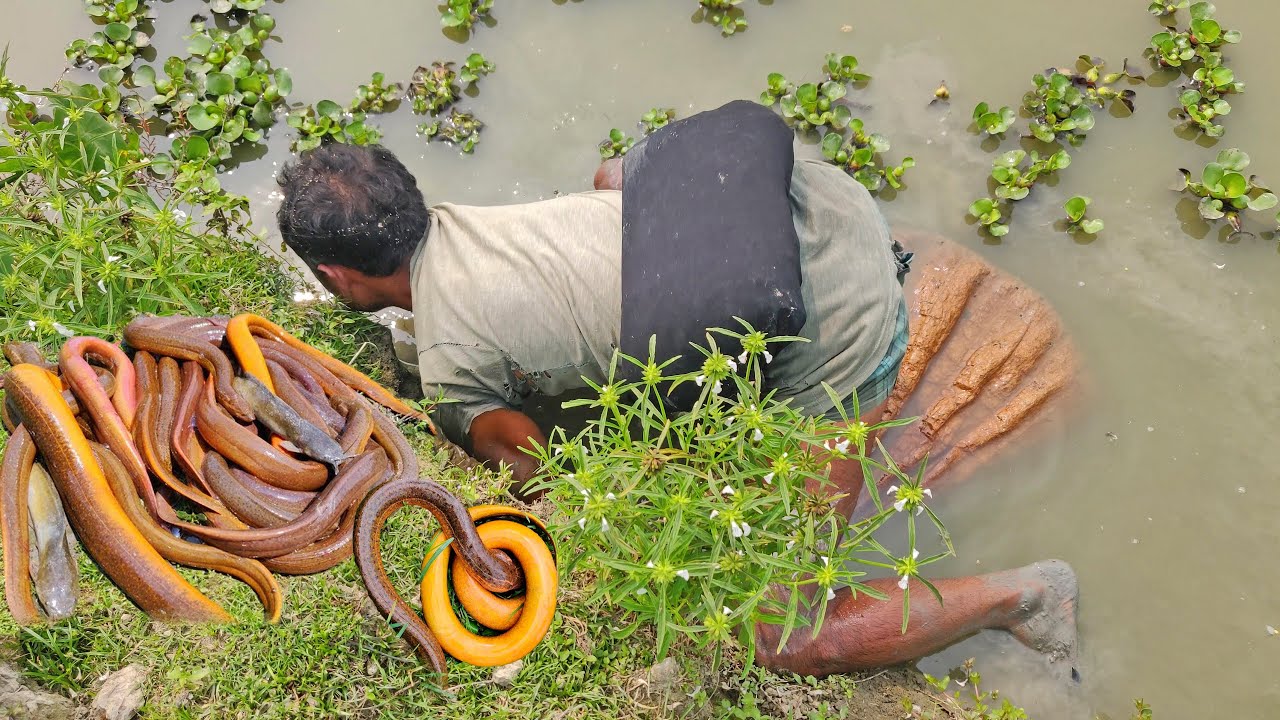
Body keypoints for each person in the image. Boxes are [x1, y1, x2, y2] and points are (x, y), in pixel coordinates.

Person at [274, 105, 1080, 680]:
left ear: (338, 275)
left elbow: (556, 478)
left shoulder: (451, 367)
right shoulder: (471, 222)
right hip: (824, 203)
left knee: (785, 636)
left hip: (840, 325)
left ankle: (1029, 594)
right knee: (615, 177)